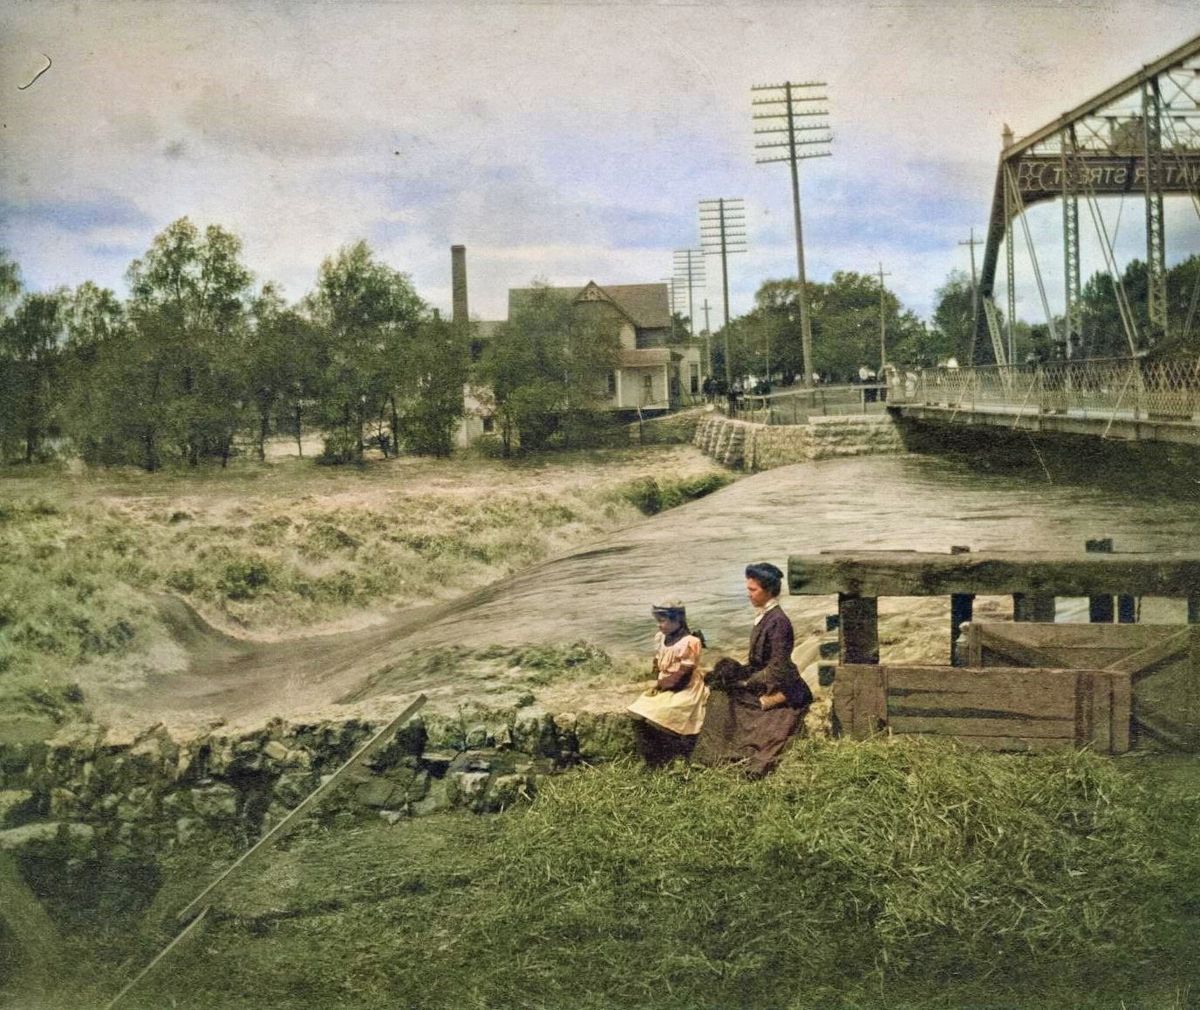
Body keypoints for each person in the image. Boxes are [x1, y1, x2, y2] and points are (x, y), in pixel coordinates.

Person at [692, 562, 812, 777]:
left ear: (768, 590)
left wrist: (748, 683)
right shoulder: (765, 617)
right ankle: (714, 757)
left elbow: (779, 667)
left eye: (753, 590)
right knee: (721, 689)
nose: (749, 594)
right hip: (767, 678)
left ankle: (720, 757)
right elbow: (759, 661)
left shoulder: (779, 622)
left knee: (725, 699)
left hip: (784, 687)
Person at [626, 601, 708, 767]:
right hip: (666, 683)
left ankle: (671, 757)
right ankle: (651, 757)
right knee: (637, 712)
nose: (659, 625)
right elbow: (658, 661)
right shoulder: (661, 638)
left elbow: (684, 675)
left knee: (659, 715)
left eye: (662, 621)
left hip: (684, 687)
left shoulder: (690, 642)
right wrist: (656, 675)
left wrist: (661, 684)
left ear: (677, 620)